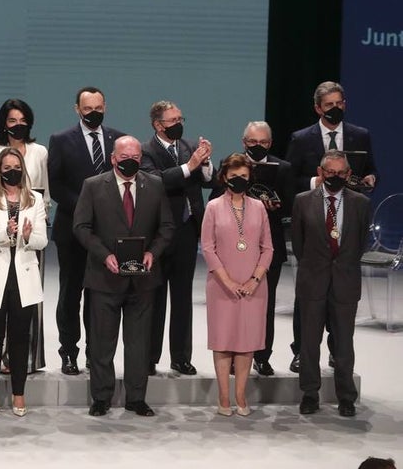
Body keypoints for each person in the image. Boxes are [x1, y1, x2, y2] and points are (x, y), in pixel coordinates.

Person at [74, 136, 173, 417]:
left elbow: (166, 226)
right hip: (104, 278)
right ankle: (101, 397)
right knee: (102, 343)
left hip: (143, 280)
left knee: (139, 343)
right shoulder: (93, 186)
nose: (130, 161)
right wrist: (104, 255)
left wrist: (153, 252)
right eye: (125, 156)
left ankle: (136, 398)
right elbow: (81, 227)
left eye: (136, 157)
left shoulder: (155, 185)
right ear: (113, 158)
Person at [285, 81, 377, 373]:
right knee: (309, 296)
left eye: (340, 103)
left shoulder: (360, 135)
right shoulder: (302, 139)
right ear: (317, 108)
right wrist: (318, 182)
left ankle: (338, 352)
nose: (335, 108)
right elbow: (289, 179)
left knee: (341, 296)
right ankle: (302, 351)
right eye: (329, 105)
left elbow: (370, 169)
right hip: (314, 219)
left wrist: (371, 179)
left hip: (347, 218)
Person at [47, 86, 126, 375]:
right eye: (88, 109)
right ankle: (69, 352)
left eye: (98, 108)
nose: (94, 113)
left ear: (105, 107)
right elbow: (55, 184)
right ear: (77, 109)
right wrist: (85, 208)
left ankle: (97, 354)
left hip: (107, 234)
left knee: (100, 297)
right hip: (72, 231)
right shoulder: (60, 140)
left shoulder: (118, 139)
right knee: (71, 295)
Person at [207, 121, 295, 376]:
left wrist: (274, 206)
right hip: (230, 252)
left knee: (263, 305)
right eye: (253, 142)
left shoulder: (283, 168)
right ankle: (234, 356)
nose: (258, 146)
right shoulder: (230, 164)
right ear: (244, 142)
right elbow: (214, 198)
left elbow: (291, 204)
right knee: (233, 305)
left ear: (270, 143)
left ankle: (262, 356)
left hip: (267, 248)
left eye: (263, 142)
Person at [291, 149, 371, 418]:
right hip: (312, 281)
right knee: (309, 342)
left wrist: (342, 266)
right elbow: (299, 244)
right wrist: (315, 266)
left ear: (348, 174)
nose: (335, 177)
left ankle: (346, 397)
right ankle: (309, 394)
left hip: (345, 283)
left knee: (344, 344)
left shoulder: (361, 203)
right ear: (320, 172)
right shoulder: (303, 201)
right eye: (330, 172)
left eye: (340, 173)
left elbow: (360, 243)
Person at [0, 147, 47, 417]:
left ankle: (19, 393)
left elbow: (42, 240)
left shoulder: (35, 199)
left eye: (16, 167)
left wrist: (26, 237)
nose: (12, 172)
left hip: (24, 276)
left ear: (22, 169)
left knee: (20, 338)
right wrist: (6, 232)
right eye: (6, 168)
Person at [139, 100, 213, 376]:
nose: (179, 124)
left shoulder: (189, 146)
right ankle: (149, 357)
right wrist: (189, 166)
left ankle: (181, 357)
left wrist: (205, 163)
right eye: (173, 120)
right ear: (158, 125)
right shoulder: (146, 150)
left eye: (181, 119)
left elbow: (208, 180)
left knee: (182, 297)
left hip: (186, 230)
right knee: (155, 298)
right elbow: (155, 181)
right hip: (158, 234)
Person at [202, 153, 273, 416]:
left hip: (254, 286)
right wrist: (228, 282)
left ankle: (241, 395)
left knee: (246, 341)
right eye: (234, 176)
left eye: (244, 176)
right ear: (224, 177)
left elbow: (268, 248)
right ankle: (223, 397)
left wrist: (255, 279)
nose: (239, 180)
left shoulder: (259, 207)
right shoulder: (213, 207)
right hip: (221, 286)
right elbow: (208, 248)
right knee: (223, 341)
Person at [0, 98, 49, 374]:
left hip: (31, 233)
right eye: (12, 120)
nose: (18, 125)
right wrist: (2, 227)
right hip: (0, 236)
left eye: (22, 120)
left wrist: (35, 224)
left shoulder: (40, 152)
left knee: (29, 300)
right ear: (3, 124)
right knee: (0, 300)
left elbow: (45, 193)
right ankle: (0, 357)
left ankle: (28, 359)